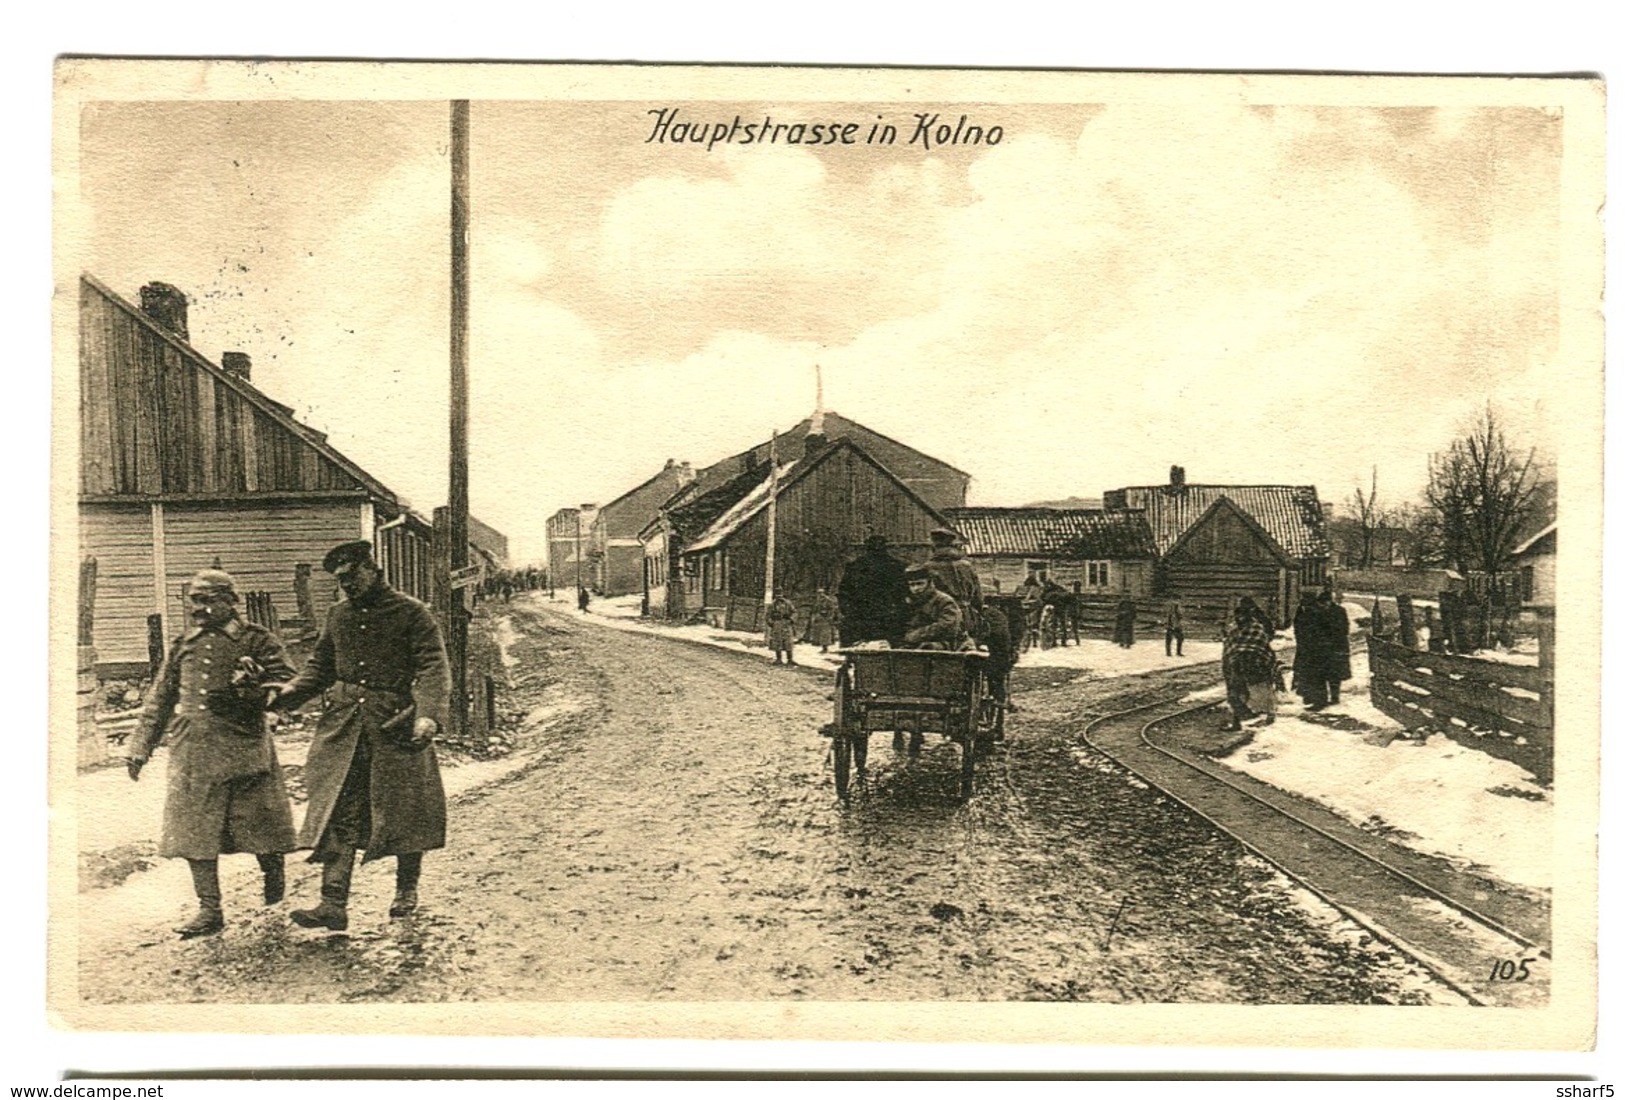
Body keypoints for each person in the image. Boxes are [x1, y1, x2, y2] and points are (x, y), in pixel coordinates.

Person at [271, 541, 450, 931]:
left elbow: (434, 666)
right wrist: (286, 696)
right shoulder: (338, 616)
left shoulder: (412, 612)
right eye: (340, 580)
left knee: (406, 810)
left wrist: (428, 715)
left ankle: (406, 891)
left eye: (352, 577)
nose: (346, 586)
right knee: (339, 807)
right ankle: (332, 903)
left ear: (373, 568)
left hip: (395, 725)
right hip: (346, 727)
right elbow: (319, 668)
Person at [125, 569, 298, 939]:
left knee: (259, 825)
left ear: (231, 602)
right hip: (193, 751)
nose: (199, 608)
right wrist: (139, 748)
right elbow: (160, 698)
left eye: (208, 600)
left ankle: (273, 869)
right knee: (194, 832)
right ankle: (209, 909)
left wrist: (256, 690)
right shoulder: (184, 643)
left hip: (243, 747)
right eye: (194, 600)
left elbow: (288, 682)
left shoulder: (256, 639)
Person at [836, 534, 910, 646]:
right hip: (889, 618)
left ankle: (851, 661)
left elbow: (844, 593)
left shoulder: (854, 566)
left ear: (866, 547)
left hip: (861, 618)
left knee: (858, 649)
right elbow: (906, 593)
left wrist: (849, 612)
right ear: (885, 547)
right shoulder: (898, 566)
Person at [1222, 598, 1278, 731]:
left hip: (1256, 663)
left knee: (1262, 690)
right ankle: (1237, 722)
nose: (1239, 619)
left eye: (1242, 616)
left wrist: (1252, 650)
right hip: (1237, 664)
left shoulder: (1256, 626)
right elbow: (1229, 646)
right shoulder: (1235, 630)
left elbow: (1263, 639)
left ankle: (1269, 714)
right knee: (1235, 692)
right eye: (1238, 616)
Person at [923, 527, 983, 634]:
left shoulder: (928, 567)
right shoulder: (966, 566)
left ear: (933, 546)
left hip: (940, 616)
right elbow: (978, 598)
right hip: (966, 615)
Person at [900, 564, 965, 649]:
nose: (916, 588)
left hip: (948, 644)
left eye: (920, 584)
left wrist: (916, 635)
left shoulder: (944, 600)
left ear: (929, 583)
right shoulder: (913, 602)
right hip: (917, 643)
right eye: (912, 585)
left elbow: (948, 627)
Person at [1292, 591, 1329, 710]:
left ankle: (1319, 701)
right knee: (1307, 673)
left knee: (1316, 675)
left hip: (1314, 649)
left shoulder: (1315, 612)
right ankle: (1309, 697)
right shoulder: (1303, 610)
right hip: (1305, 647)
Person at [766, 594, 798, 665]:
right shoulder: (772, 605)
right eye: (777, 595)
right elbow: (768, 615)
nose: (779, 597)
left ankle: (790, 659)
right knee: (777, 641)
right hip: (777, 624)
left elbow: (794, 612)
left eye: (780, 595)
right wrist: (771, 623)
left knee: (788, 642)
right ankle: (778, 659)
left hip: (786, 623)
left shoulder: (788, 603)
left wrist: (791, 620)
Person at [805, 587, 839, 653]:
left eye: (821, 593)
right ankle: (822, 647)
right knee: (820, 634)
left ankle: (825, 648)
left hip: (826, 619)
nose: (820, 594)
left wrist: (829, 616)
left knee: (825, 634)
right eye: (818, 593)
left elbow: (832, 609)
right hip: (820, 619)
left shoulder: (828, 600)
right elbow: (815, 609)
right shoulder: (818, 601)